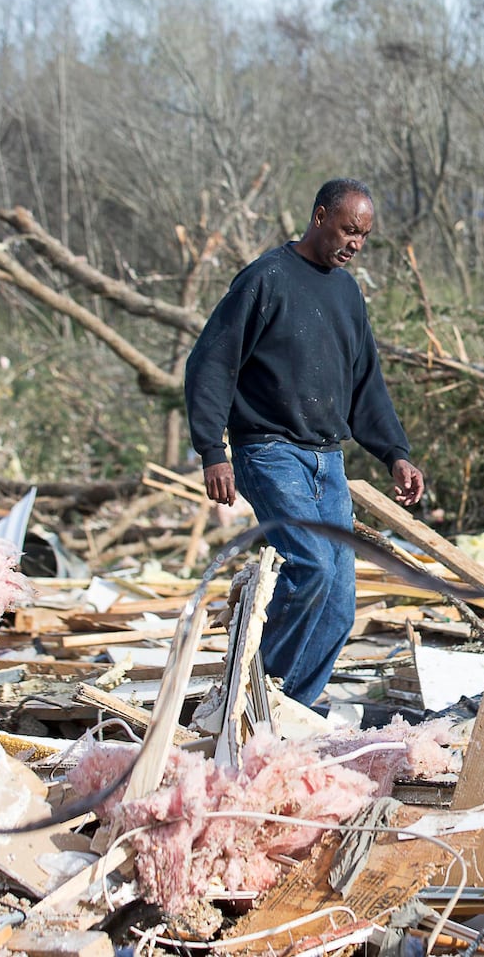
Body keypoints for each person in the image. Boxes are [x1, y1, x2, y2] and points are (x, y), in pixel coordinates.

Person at [184, 178, 425, 706]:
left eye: (364, 235)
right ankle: (250, 694)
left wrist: (395, 452)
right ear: (319, 217)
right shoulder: (266, 280)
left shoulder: (346, 293)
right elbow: (212, 363)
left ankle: (288, 709)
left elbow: (366, 383)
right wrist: (212, 450)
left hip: (327, 461)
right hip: (269, 451)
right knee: (310, 565)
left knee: (339, 604)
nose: (355, 243)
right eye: (347, 229)